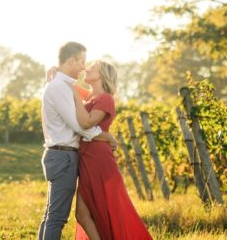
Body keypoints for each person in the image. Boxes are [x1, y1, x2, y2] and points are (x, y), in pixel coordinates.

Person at [37, 42, 116, 240]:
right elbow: (80, 125)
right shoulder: (60, 87)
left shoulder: (61, 84)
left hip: (61, 155)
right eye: (81, 62)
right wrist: (106, 136)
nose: (83, 67)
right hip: (63, 156)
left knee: (51, 215)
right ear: (71, 61)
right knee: (56, 218)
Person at [67, 61, 152, 240]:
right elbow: (64, 83)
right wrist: (54, 71)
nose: (87, 68)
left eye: (92, 67)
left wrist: (74, 92)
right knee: (82, 215)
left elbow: (87, 122)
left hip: (99, 160)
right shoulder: (88, 97)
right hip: (86, 159)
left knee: (106, 212)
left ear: (102, 74)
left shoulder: (105, 98)